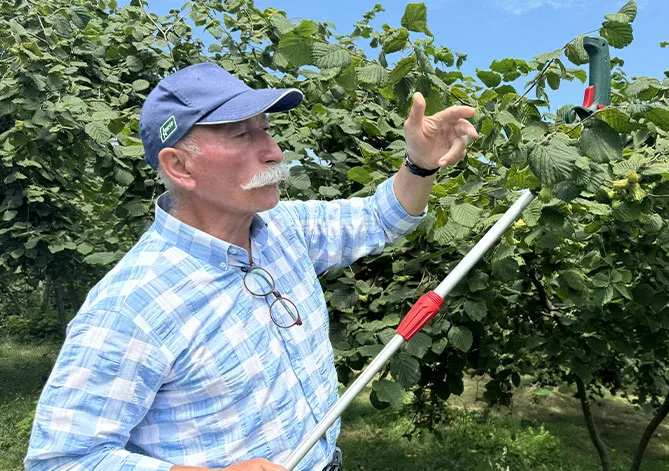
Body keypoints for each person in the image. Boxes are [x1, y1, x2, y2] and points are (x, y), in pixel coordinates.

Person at [24, 62, 478, 471]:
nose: (274, 151)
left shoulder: (286, 229)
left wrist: (419, 164)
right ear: (179, 166)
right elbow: (62, 460)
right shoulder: (131, 308)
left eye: (265, 129)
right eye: (242, 135)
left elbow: (382, 216)